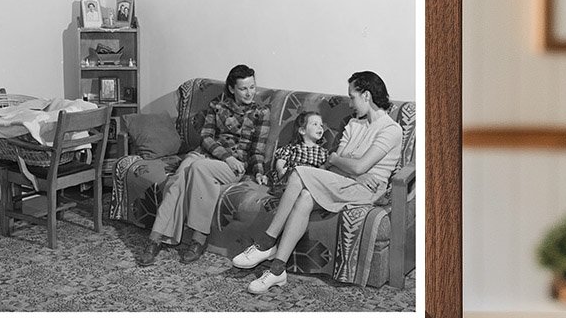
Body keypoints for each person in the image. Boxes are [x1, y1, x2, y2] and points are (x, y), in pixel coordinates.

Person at [232, 71, 403, 294]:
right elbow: (339, 164)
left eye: (352, 96)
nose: (350, 103)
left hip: (365, 190)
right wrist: (347, 163)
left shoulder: (391, 129)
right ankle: (277, 270)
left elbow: (349, 163)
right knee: (304, 197)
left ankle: (266, 242)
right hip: (344, 181)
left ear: (367, 96)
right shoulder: (353, 124)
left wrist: (342, 161)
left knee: (300, 172)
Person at [137, 64, 271, 266]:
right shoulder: (217, 105)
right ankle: (155, 240)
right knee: (177, 180)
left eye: (252, 87)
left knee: (198, 169)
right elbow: (206, 137)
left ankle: (199, 239)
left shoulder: (261, 112)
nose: (249, 93)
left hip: (234, 165)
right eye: (244, 88)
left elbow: (258, 150)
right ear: (232, 88)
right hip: (209, 155)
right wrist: (225, 155)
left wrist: (259, 172)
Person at [266, 110, 329, 190]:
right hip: (292, 176)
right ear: (302, 130)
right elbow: (281, 160)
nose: (320, 127)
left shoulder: (322, 153)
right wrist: (280, 170)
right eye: (315, 124)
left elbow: (322, 169)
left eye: (321, 125)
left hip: (309, 179)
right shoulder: (293, 147)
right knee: (289, 178)